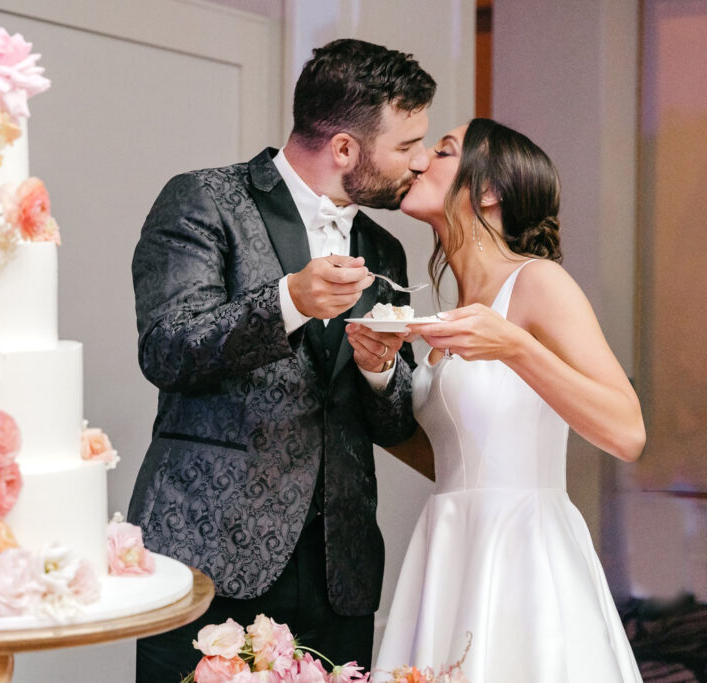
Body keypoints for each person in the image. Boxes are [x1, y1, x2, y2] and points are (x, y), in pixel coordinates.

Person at [126, 40, 436, 681]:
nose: (423, 161)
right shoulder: (204, 200)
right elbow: (167, 347)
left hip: (339, 572)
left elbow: (394, 422)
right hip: (211, 554)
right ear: (346, 149)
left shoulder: (385, 250)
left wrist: (381, 371)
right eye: (407, 146)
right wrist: (286, 301)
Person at [365, 118, 645, 681]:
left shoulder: (538, 283)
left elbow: (627, 431)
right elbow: (453, 453)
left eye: (444, 150)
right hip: (447, 548)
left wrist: (515, 346)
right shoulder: (447, 306)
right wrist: (376, 374)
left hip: (523, 554)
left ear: (489, 190)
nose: (419, 160)